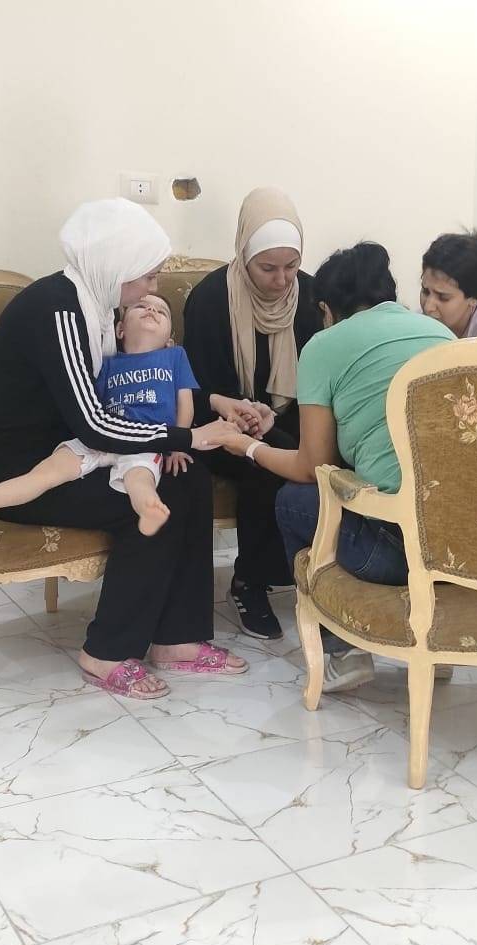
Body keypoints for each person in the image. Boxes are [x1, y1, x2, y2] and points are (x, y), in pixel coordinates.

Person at [0, 198, 247, 700]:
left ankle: (176, 639)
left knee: (187, 476)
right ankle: (107, 652)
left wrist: (208, 407)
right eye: (147, 277)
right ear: (116, 266)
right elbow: (95, 423)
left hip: (72, 453)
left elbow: (133, 388)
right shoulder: (58, 310)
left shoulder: (94, 307)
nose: (151, 290)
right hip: (27, 471)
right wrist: (188, 436)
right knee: (150, 498)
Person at [208, 242, 456, 691]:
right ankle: (436, 648)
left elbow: (312, 466)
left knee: (294, 500)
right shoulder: (440, 335)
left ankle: (344, 651)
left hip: (391, 554)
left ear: (325, 308)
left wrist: (247, 447)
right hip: (460, 548)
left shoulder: (324, 345)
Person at [183, 187, 322, 641]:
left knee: (311, 451)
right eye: (268, 268)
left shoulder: (311, 296)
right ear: (244, 255)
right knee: (266, 460)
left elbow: (319, 378)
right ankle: (249, 582)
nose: (282, 280)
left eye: (291, 266)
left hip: (291, 418)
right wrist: (244, 418)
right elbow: (198, 387)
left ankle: (321, 575)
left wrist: (277, 421)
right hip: (221, 425)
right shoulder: (209, 300)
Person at [0, 294, 195, 537]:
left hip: (144, 443)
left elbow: (186, 403)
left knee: (139, 480)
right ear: (120, 330)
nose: (151, 309)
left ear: (169, 340)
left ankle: (148, 510)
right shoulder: (107, 362)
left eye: (161, 311)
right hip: (102, 436)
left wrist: (177, 445)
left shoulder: (175, 356)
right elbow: (90, 404)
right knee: (47, 472)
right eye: (141, 306)